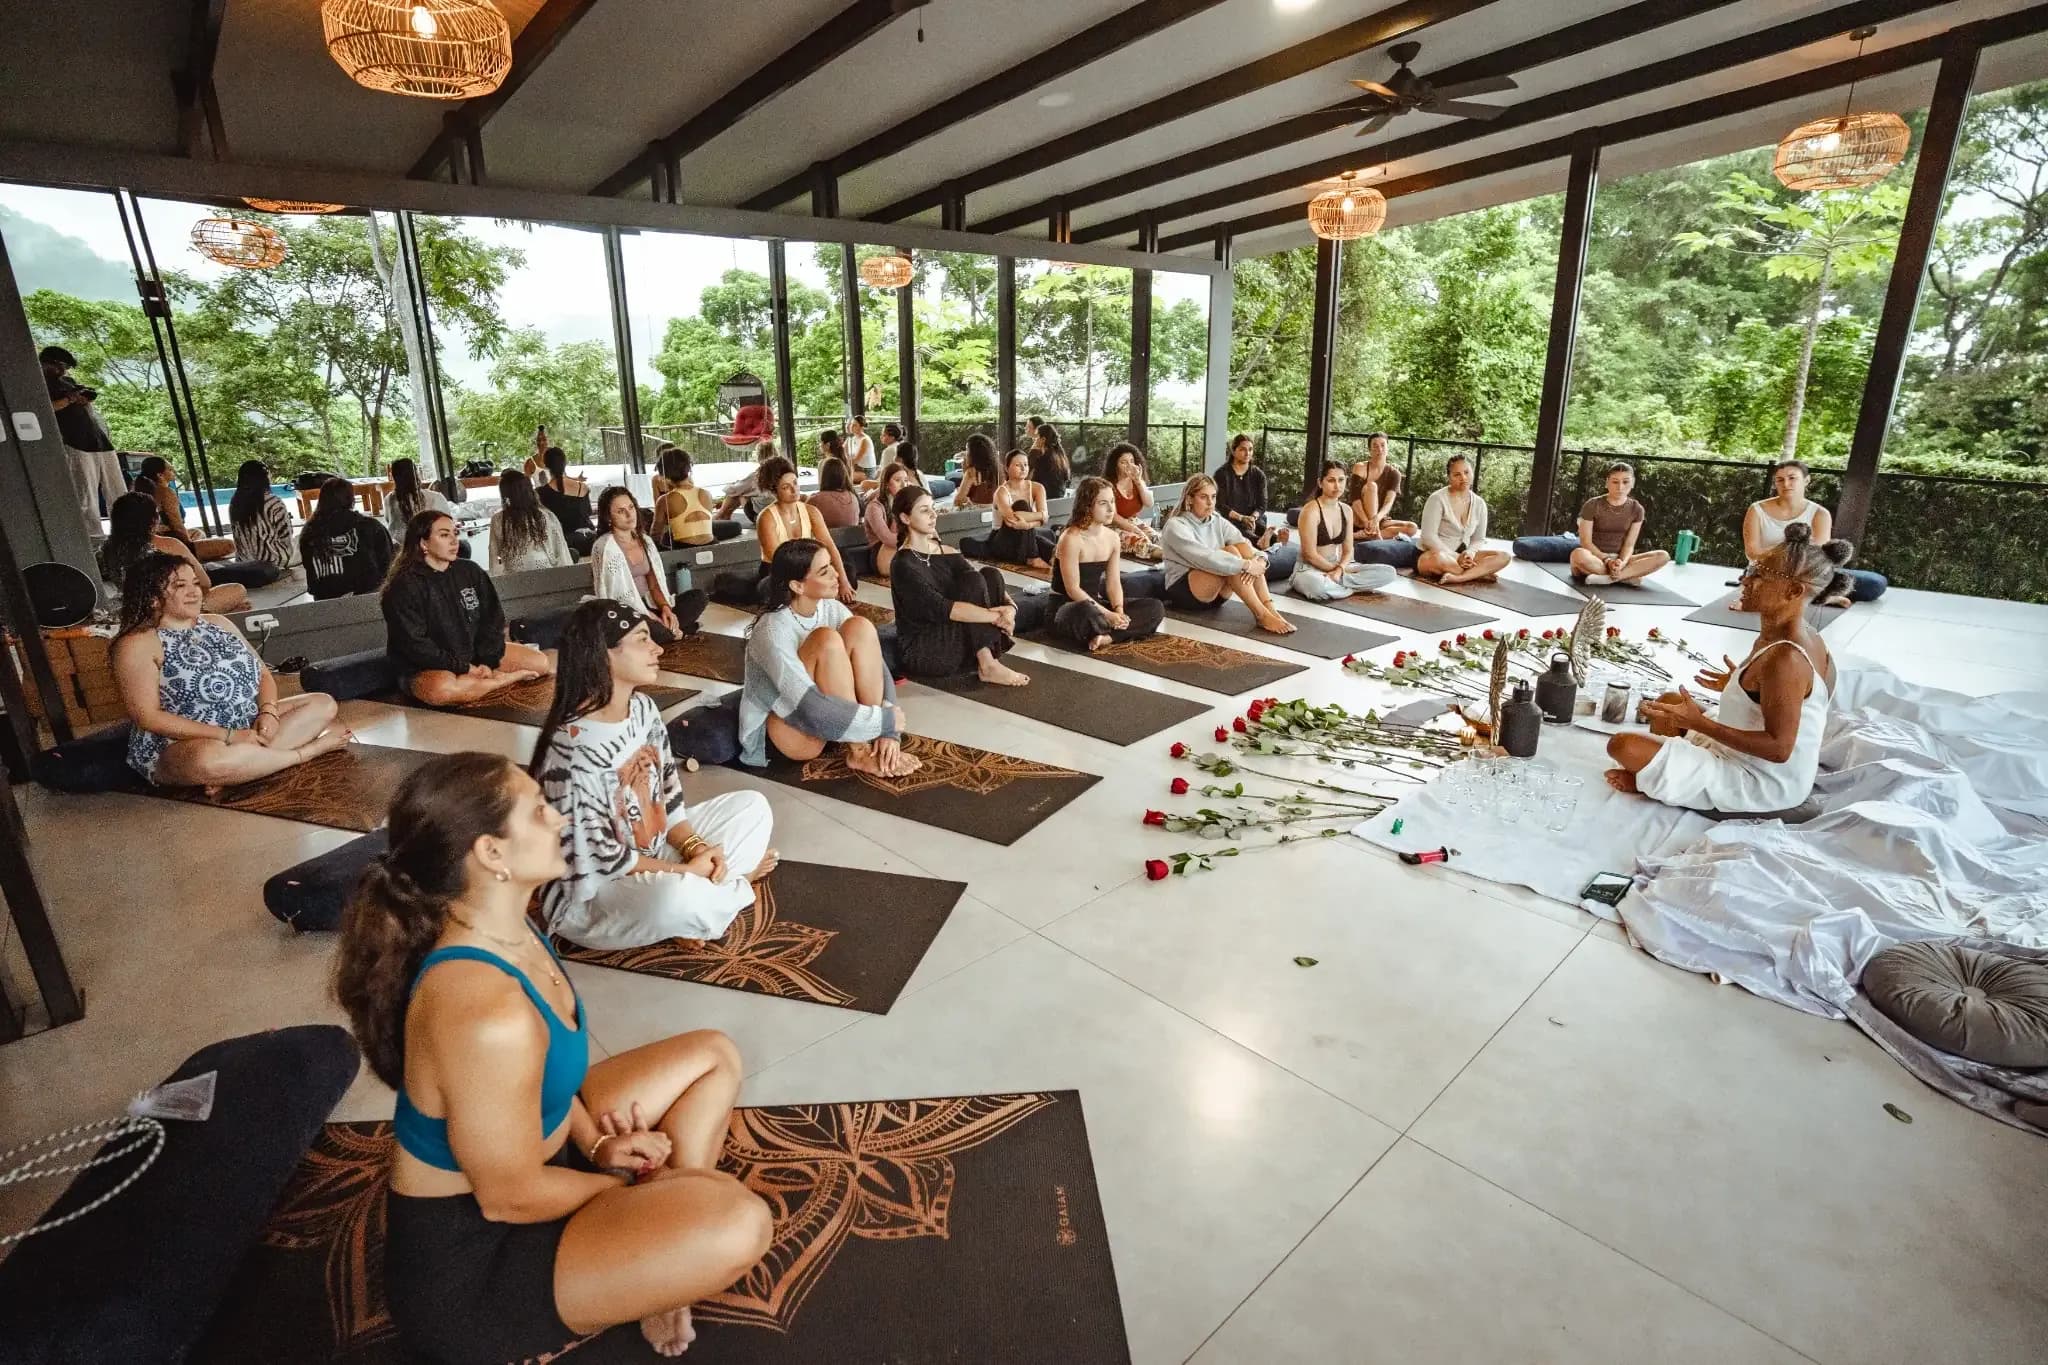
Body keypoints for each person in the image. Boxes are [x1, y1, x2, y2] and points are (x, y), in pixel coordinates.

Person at [332, 752, 773, 1363]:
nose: (561, 819)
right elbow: (507, 1198)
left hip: (544, 1162)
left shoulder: (511, 926)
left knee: (712, 1055)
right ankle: (660, 1239)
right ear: (492, 854)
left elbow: (550, 1083)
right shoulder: (483, 1010)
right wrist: (629, 1180)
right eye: (538, 811)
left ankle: (656, 1260)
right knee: (738, 1221)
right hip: (481, 1261)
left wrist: (597, 1144)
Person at [532, 602, 776, 948]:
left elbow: (670, 797)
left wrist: (697, 847)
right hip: (596, 897)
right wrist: (687, 872)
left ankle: (701, 907)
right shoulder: (573, 749)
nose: (657, 648)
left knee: (753, 808)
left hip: (653, 853)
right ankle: (735, 888)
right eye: (643, 639)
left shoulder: (644, 710)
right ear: (604, 655)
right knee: (672, 899)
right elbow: (601, 859)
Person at [1607, 523, 1848, 813]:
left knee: (1623, 746)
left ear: (1793, 591)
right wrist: (1740, 688)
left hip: (1761, 783)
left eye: (1759, 575)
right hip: (1747, 758)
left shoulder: (1786, 658)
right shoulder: (1798, 634)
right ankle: (1665, 778)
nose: (1744, 581)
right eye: (1749, 571)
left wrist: (1700, 724)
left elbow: (1779, 749)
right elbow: (1789, 700)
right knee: (1669, 703)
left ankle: (1662, 781)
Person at [112, 552, 347, 786]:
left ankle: (243, 767)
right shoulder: (137, 643)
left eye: (195, 583)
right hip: (184, 743)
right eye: (180, 586)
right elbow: (148, 717)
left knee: (322, 704)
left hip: (246, 723)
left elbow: (263, 674)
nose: (194, 591)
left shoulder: (218, 623)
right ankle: (305, 753)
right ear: (152, 597)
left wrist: (268, 713)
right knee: (208, 760)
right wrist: (228, 736)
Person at [739, 539, 918, 777]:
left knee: (861, 626)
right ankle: (859, 751)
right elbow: (807, 705)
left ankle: (869, 738)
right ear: (797, 586)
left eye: (832, 565)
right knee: (826, 640)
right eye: (824, 571)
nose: (836, 574)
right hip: (789, 731)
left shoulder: (831, 608)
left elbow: (878, 665)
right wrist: (884, 720)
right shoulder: (772, 630)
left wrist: (887, 733)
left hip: (832, 720)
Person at [383, 510, 554, 706]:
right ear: (423, 543)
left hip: (475, 656)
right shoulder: (403, 586)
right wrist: (464, 668)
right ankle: (501, 680)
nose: (454, 541)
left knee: (540, 663)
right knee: (443, 690)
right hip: (427, 666)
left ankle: (479, 681)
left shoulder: (470, 571)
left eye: (455, 533)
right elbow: (416, 646)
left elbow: (492, 620)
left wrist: (487, 661)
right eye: (444, 535)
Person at [888, 486, 1028, 686]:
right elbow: (945, 609)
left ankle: (985, 659)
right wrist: (998, 618)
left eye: (933, 508)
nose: (933, 515)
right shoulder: (903, 564)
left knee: (990, 574)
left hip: (956, 639)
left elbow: (983, 585)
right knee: (973, 580)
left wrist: (1011, 609)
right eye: (924, 510)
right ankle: (987, 664)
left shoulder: (945, 551)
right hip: (927, 648)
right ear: (905, 518)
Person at [1161, 474, 1295, 634]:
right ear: (1189, 499)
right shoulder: (1175, 526)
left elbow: (1244, 543)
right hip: (1186, 593)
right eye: (1203, 497)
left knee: (1240, 549)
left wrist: (1260, 559)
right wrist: (1245, 565)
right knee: (1230, 553)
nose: (1210, 503)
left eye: (1213, 497)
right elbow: (1203, 557)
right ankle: (1261, 615)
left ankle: (1270, 609)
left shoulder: (1216, 520)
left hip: (1217, 595)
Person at [1742, 459, 1887, 607]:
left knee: (1875, 584)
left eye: (1792, 478)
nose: (1786, 484)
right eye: (1780, 480)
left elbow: (1819, 557)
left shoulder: (1820, 513)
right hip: (1765, 571)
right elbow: (1752, 553)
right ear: (1775, 483)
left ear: (1806, 480)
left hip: (1806, 573)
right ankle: (1814, 597)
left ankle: (1804, 594)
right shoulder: (1756, 509)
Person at [1051, 476, 1165, 652]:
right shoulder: (1071, 538)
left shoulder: (1112, 538)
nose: (1111, 508)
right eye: (1103, 503)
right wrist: (1107, 614)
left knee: (1155, 608)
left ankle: (1106, 636)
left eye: (1112, 501)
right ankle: (1110, 628)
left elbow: (1113, 583)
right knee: (1086, 612)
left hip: (1097, 604)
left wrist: (1118, 610)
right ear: (1087, 505)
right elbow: (1072, 590)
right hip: (1069, 607)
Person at [98, 492, 250, 614]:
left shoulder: (106, 548)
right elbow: (204, 582)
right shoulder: (167, 545)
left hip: (133, 610)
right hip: (168, 611)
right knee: (237, 590)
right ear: (153, 520)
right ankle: (205, 613)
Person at [592, 487, 705, 643]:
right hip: (628, 613)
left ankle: (668, 632)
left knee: (699, 597)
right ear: (608, 517)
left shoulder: (645, 540)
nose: (629, 514)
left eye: (631, 507)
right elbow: (616, 600)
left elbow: (653, 584)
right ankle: (675, 632)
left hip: (651, 605)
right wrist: (649, 616)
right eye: (620, 511)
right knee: (648, 627)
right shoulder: (605, 547)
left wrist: (665, 608)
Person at [41, 345, 124, 544]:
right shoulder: (39, 384)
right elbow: (47, 408)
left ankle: (127, 531)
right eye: (61, 366)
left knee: (118, 491)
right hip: (75, 443)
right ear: (47, 363)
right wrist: (70, 398)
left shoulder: (67, 381)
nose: (64, 371)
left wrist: (83, 396)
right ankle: (95, 541)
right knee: (87, 497)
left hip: (99, 441)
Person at [755, 456, 857, 605]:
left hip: (810, 566)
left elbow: (829, 545)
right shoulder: (766, 518)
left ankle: (816, 590)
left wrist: (844, 581)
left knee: (848, 572)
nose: (794, 489)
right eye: (785, 487)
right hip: (779, 572)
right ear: (774, 491)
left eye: (795, 483)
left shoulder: (811, 511)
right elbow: (779, 560)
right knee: (775, 591)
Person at [1293, 461, 1396, 602]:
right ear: (1320, 483)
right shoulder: (1310, 511)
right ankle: (1352, 587)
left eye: (1341, 480)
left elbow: (1348, 550)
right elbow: (1309, 555)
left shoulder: (1346, 510)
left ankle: (1340, 587)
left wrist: (1340, 569)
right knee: (1317, 588)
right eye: (1331, 480)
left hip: (1339, 568)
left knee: (1389, 573)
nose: (1337, 486)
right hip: (1309, 570)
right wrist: (1335, 570)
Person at [1568, 461, 1670, 585]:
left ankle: (1612, 578)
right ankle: (1627, 577)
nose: (1620, 487)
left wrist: (1621, 562)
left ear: (1632, 483)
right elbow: (1585, 542)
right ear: (1607, 482)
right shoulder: (1592, 505)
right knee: (1578, 554)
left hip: (1619, 560)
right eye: (1615, 482)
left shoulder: (1637, 509)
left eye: (1625, 482)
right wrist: (1607, 560)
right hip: (1596, 559)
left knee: (1663, 556)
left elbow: (1629, 545)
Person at [1415, 454, 1511, 584]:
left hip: (1464, 556)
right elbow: (1428, 537)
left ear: (1472, 473)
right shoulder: (1437, 499)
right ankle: (1478, 574)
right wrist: (1456, 557)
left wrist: (1470, 553)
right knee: (1437, 559)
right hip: (1435, 555)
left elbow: (1478, 539)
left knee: (1504, 556)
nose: (1463, 478)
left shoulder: (1480, 503)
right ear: (1449, 477)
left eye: (1466, 472)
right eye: (1457, 474)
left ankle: (1460, 577)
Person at [301, 478, 395, 601]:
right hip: (366, 594)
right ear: (351, 499)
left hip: (324, 597)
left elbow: (309, 566)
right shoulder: (369, 526)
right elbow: (387, 564)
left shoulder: (309, 531)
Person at [1214, 433, 1288, 551]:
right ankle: (1262, 543)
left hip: (1253, 518)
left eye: (1250, 449)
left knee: (1259, 528)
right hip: (1232, 518)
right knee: (1242, 532)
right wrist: (1241, 517)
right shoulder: (1222, 474)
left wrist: (1253, 517)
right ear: (1233, 451)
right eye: (1242, 449)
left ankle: (1273, 540)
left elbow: (1262, 504)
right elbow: (1220, 505)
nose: (1247, 453)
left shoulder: (1258, 475)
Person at [491, 469, 572, 576]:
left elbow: (494, 556)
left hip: (513, 576)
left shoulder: (498, 519)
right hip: (546, 572)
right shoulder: (545, 515)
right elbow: (561, 551)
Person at [651, 448, 735, 547]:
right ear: (688, 468)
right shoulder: (706, 494)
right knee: (734, 526)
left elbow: (655, 534)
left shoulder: (664, 500)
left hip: (684, 549)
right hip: (712, 545)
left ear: (664, 474)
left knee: (663, 539)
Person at [228, 460, 297, 577]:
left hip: (243, 562)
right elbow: (286, 535)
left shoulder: (234, 502)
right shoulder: (274, 502)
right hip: (274, 560)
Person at [989, 449, 1057, 568]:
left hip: (1025, 534)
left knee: (1049, 547)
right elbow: (1013, 520)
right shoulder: (1001, 492)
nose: (1023, 468)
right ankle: (1032, 557)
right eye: (1018, 465)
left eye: (1025, 465)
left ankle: (1057, 561)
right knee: (1022, 505)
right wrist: (1041, 515)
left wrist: (1028, 525)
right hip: (1002, 540)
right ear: (1007, 468)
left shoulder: (1037, 488)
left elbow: (1045, 520)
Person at [1353, 433, 1417, 538]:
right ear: (1369, 450)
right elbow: (1355, 500)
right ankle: (1373, 532)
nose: (1379, 449)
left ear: (1387, 447)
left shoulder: (1395, 473)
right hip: (1359, 517)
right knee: (1371, 486)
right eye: (1375, 446)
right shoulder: (1360, 468)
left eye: (1383, 445)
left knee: (1412, 527)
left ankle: (1363, 535)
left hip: (1379, 519)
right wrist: (1366, 522)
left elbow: (1388, 503)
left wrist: (1376, 519)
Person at [538, 447, 598, 558]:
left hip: (565, 545)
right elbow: (588, 512)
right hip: (591, 540)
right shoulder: (583, 487)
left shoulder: (540, 493)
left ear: (545, 465)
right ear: (565, 463)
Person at [863, 462, 917, 581]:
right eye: (898, 480)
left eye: (906, 480)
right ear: (887, 484)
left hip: (904, 546)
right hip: (882, 552)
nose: (904, 485)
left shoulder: (905, 503)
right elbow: (888, 539)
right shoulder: (874, 507)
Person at [132, 456, 196, 551]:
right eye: (170, 469)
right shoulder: (165, 492)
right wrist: (189, 544)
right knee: (225, 545)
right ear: (160, 475)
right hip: (167, 541)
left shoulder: (136, 492)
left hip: (147, 542)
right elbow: (177, 524)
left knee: (196, 532)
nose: (173, 471)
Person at [384, 458, 455, 539]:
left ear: (394, 477)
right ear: (416, 475)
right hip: (428, 544)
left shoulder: (389, 499)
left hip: (398, 546)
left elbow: (388, 520)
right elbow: (448, 523)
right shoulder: (435, 497)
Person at [1104, 442, 1157, 548]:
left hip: (1133, 521)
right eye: (1123, 462)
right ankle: (1163, 557)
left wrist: (1138, 481)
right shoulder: (1108, 485)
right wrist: (1136, 530)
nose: (1129, 465)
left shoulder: (1137, 479)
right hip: (1112, 526)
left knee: (1155, 537)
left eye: (1132, 461)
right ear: (1115, 466)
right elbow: (1114, 517)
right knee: (1141, 543)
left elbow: (1149, 503)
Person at [714, 440, 780, 522]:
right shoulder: (782, 471)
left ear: (759, 455)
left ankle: (720, 515)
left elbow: (733, 489)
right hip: (779, 515)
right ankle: (724, 515)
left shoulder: (758, 474)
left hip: (762, 519)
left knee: (739, 492)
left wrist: (730, 487)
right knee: (745, 490)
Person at [807, 456, 861, 529]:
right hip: (851, 539)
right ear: (844, 475)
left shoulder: (816, 499)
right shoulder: (853, 497)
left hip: (824, 539)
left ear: (824, 476)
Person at [949, 434, 1001, 509]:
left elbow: (957, 501)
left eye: (967, 450)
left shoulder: (971, 472)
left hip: (977, 513)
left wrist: (965, 472)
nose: (965, 453)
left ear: (973, 454)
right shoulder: (999, 468)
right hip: (997, 510)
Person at [1028, 421, 1071, 500]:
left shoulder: (1042, 459)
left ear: (1043, 439)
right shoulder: (1061, 457)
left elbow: (1028, 479)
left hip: (1044, 501)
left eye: (1036, 437)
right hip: (1058, 500)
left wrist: (1033, 451)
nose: (1034, 440)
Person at [844, 414, 876, 479]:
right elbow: (841, 450)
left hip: (866, 472)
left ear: (861, 427)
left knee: (842, 476)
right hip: (856, 469)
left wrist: (844, 465)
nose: (851, 426)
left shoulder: (865, 440)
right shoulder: (852, 439)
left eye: (854, 425)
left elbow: (855, 460)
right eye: (851, 424)